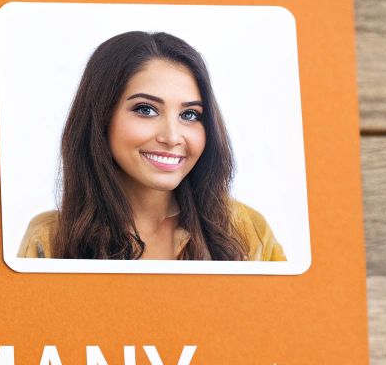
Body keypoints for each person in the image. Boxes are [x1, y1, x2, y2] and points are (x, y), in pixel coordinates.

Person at [17, 30, 284, 262]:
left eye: (189, 115)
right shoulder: (50, 238)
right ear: (100, 119)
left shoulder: (247, 229)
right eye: (146, 109)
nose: (172, 136)